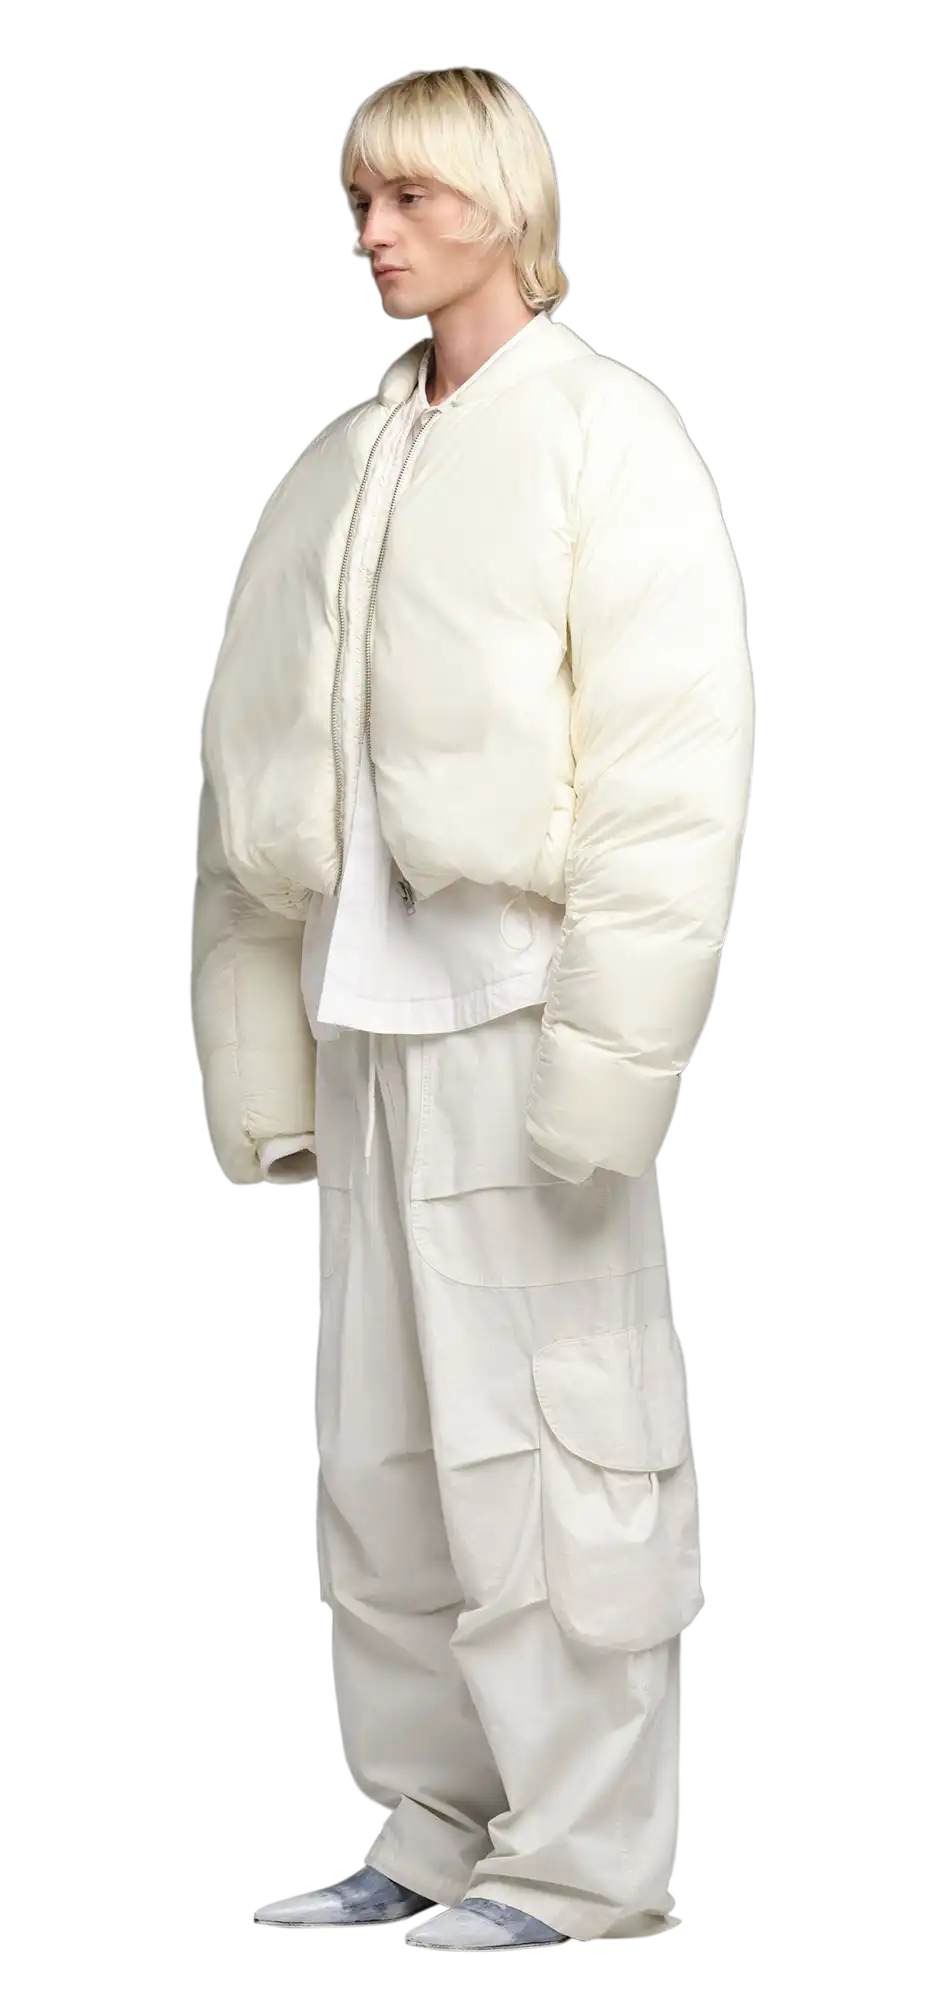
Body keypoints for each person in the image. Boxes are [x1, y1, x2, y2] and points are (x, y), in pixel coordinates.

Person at [191, 66, 755, 1955]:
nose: (368, 232)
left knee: (553, 1456)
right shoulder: (347, 460)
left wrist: (610, 1070)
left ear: (502, 203)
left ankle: (580, 1867)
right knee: (383, 1468)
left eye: (407, 197)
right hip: (365, 1026)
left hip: (518, 1016)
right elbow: (246, 783)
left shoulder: (603, 435)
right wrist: (259, 1060)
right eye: (356, 200)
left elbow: (669, 779)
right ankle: (429, 1828)